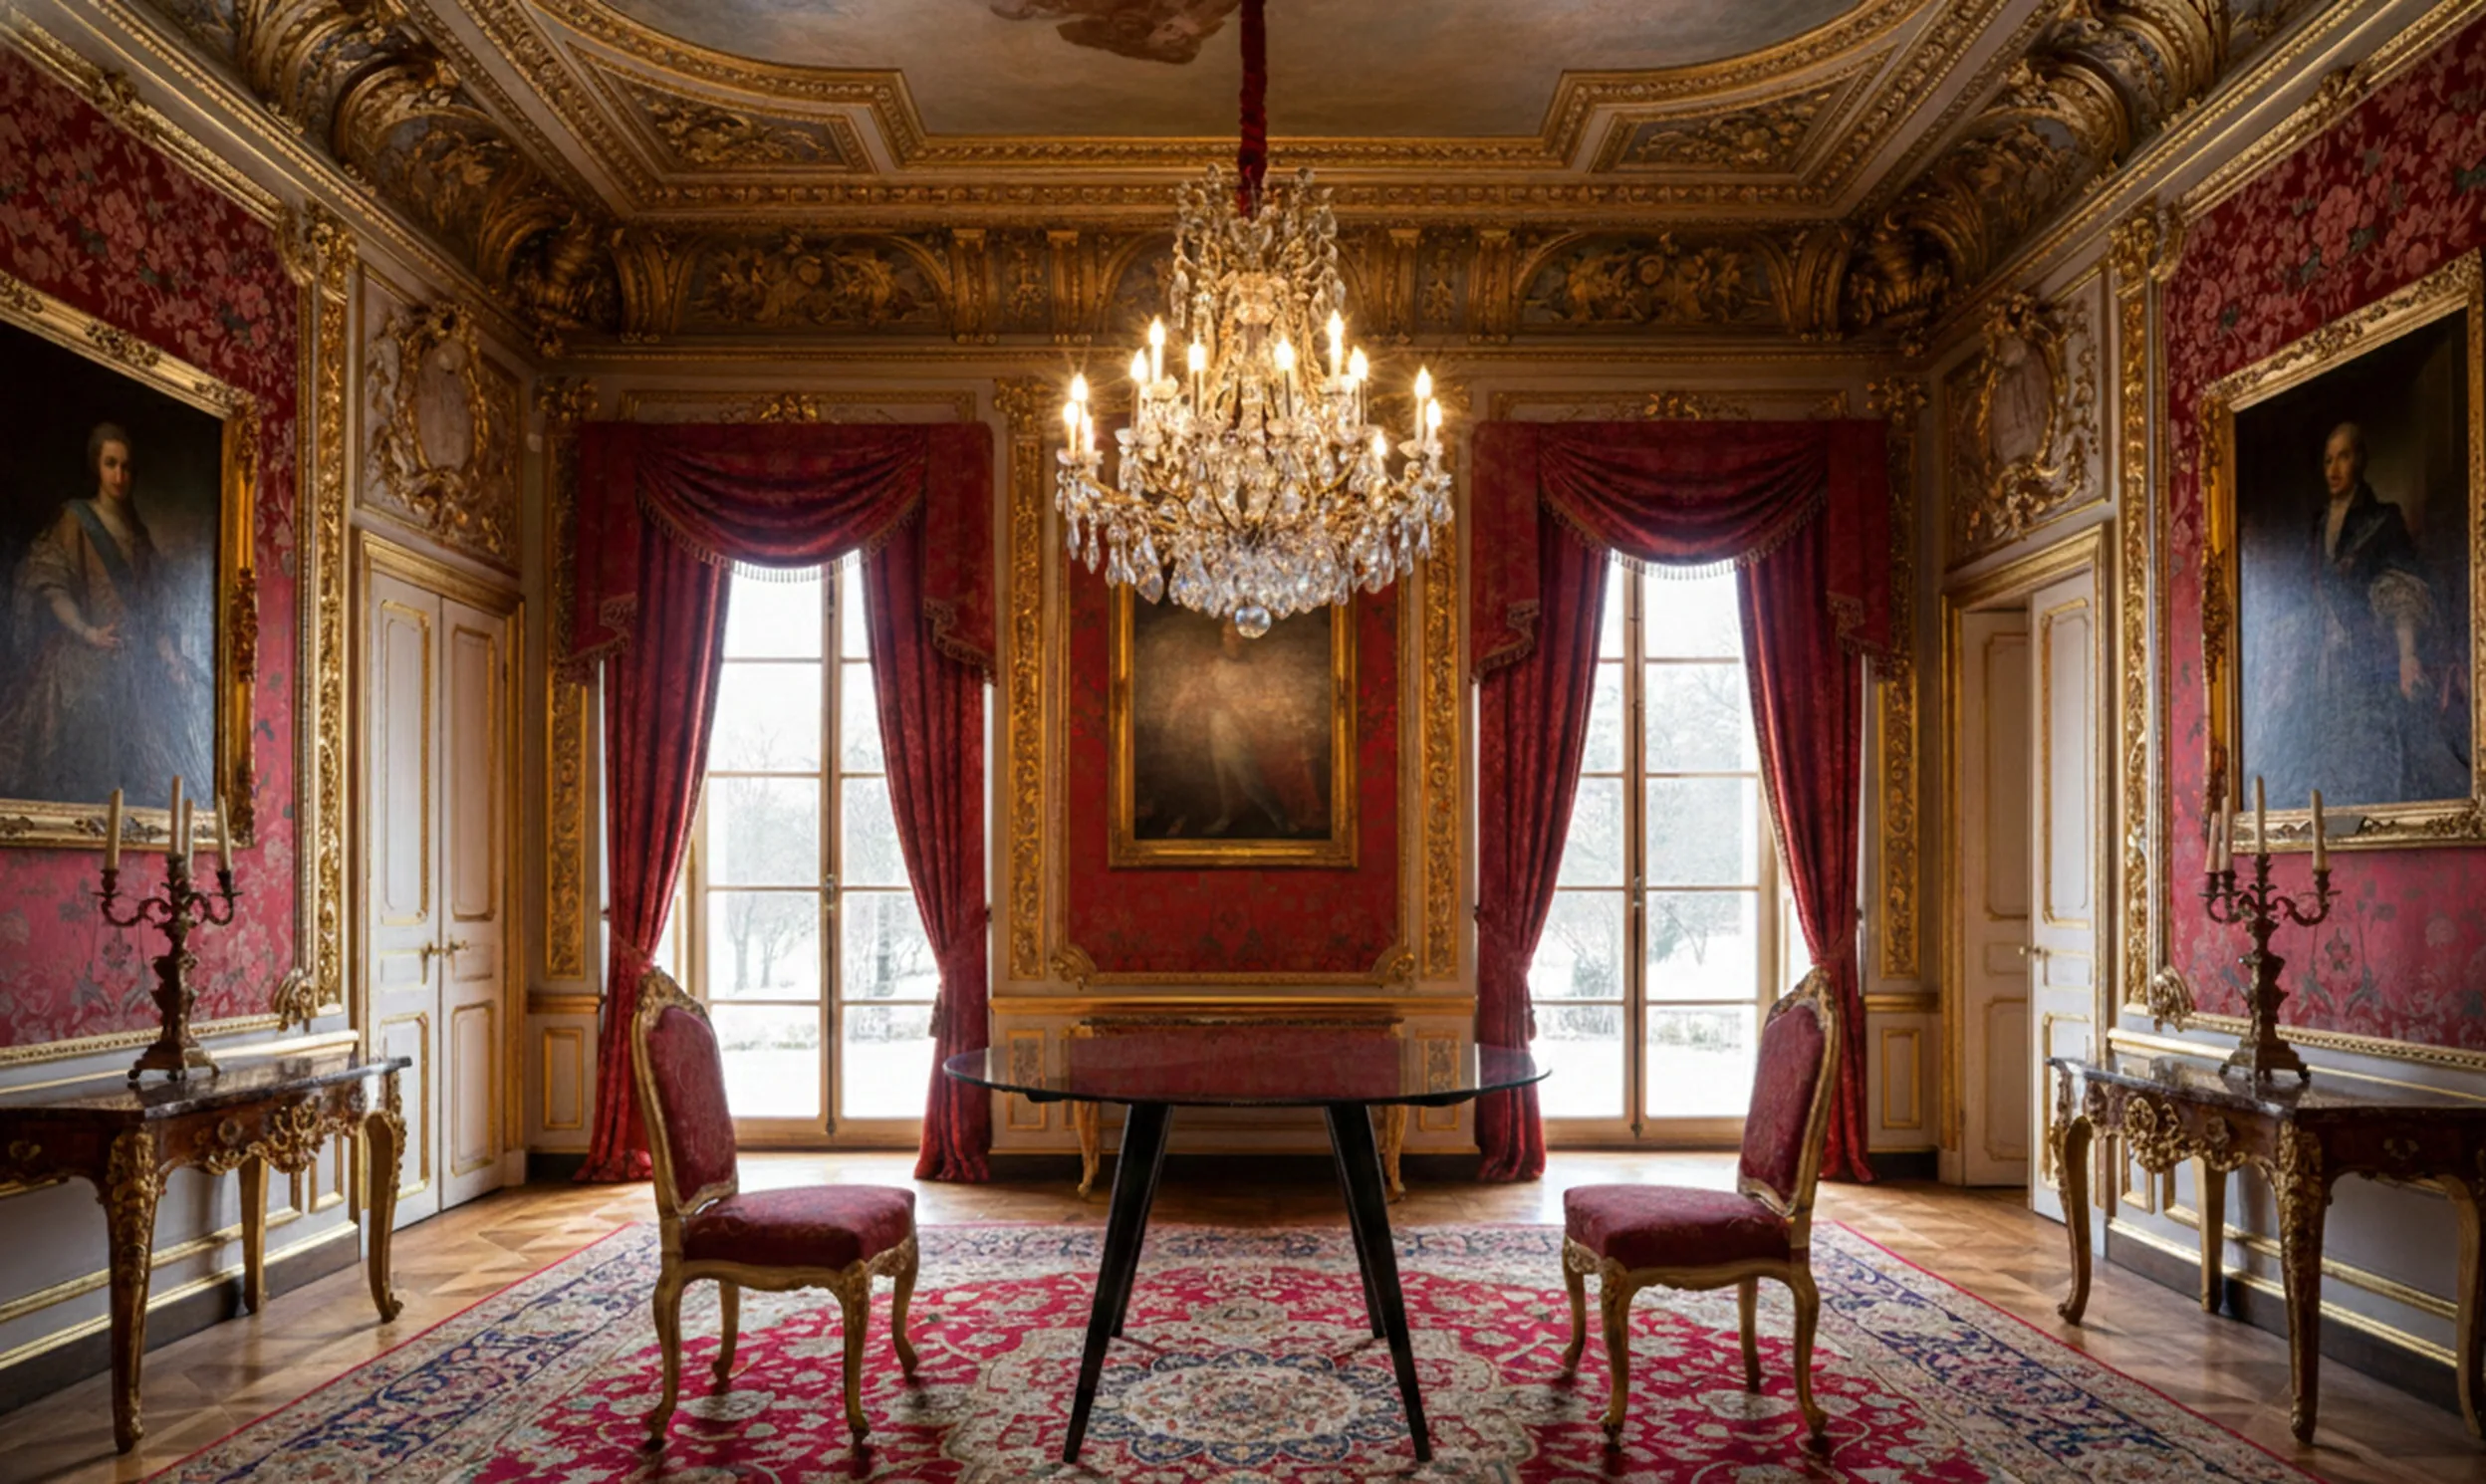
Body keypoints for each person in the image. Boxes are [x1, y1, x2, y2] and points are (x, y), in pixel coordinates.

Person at [2267, 420, 2472, 807]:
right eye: (2327, 459)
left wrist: (2407, 656)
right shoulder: (2316, 529)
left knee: (2373, 749)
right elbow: (2293, 599)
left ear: (2360, 459)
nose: (2334, 469)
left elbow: (2404, 589)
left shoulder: (2384, 522)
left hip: (2371, 662)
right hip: (2322, 666)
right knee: (2323, 752)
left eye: (2343, 456)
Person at [0, 422, 207, 804]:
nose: (119, 475)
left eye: (126, 467)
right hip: (85, 651)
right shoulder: (76, 519)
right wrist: (87, 632)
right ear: (96, 465)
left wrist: (171, 659)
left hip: (137, 662)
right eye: (111, 464)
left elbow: (154, 609)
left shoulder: (139, 535)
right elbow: (50, 583)